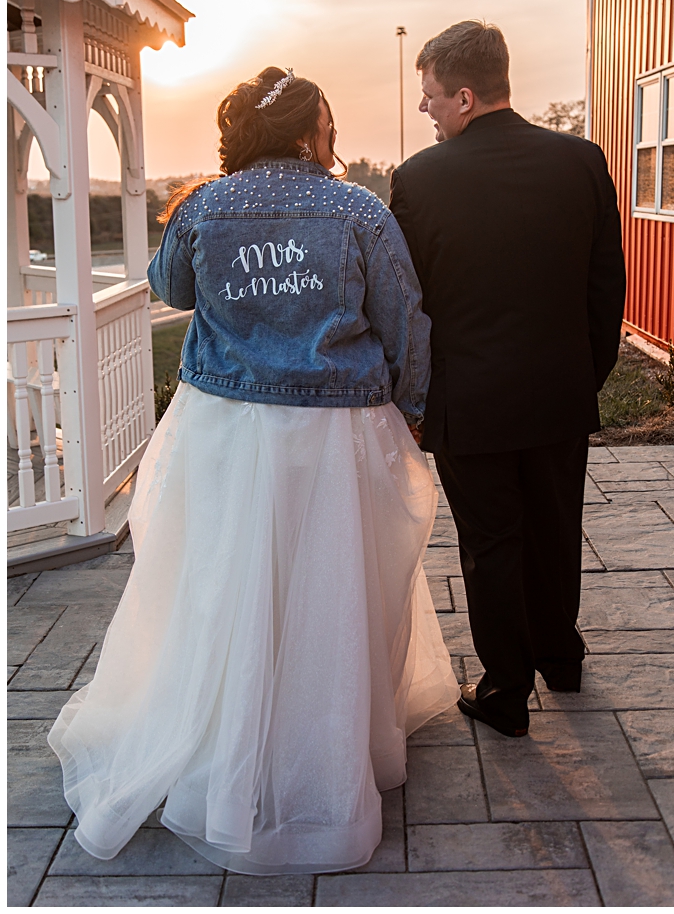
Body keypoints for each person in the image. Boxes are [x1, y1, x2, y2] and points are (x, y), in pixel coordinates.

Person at [48, 67, 457, 874]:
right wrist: (410, 405)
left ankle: (225, 741)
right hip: (336, 426)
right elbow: (402, 316)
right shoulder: (358, 210)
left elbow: (171, 286)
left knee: (226, 582)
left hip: (229, 425)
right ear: (314, 130)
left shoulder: (205, 203)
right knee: (331, 585)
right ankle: (324, 749)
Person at [389, 21, 627, 738]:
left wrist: (419, 398)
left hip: (471, 400)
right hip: (559, 389)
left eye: (430, 96)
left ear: (464, 95)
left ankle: (504, 690)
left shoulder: (420, 180)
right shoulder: (581, 159)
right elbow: (605, 286)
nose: (425, 109)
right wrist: (584, 373)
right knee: (557, 530)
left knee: (491, 542)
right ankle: (561, 658)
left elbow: (411, 304)